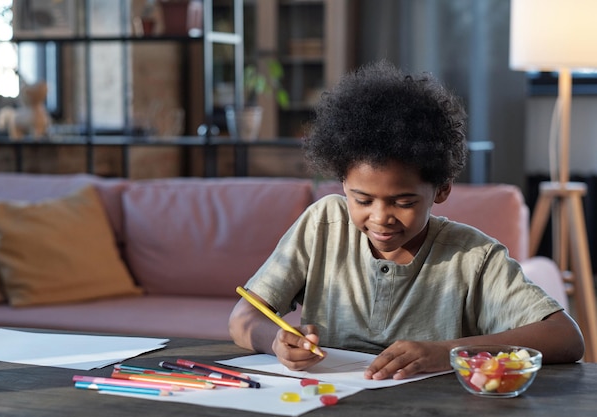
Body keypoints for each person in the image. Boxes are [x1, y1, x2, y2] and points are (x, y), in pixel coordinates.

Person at [228, 60, 584, 380]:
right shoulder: (322, 225)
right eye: (362, 199)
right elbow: (243, 319)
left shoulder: (473, 257)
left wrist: (448, 353)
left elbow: (566, 338)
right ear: (342, 184)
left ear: (441, 190)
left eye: (403, 201)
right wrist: (274, 341)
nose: (381, 218)